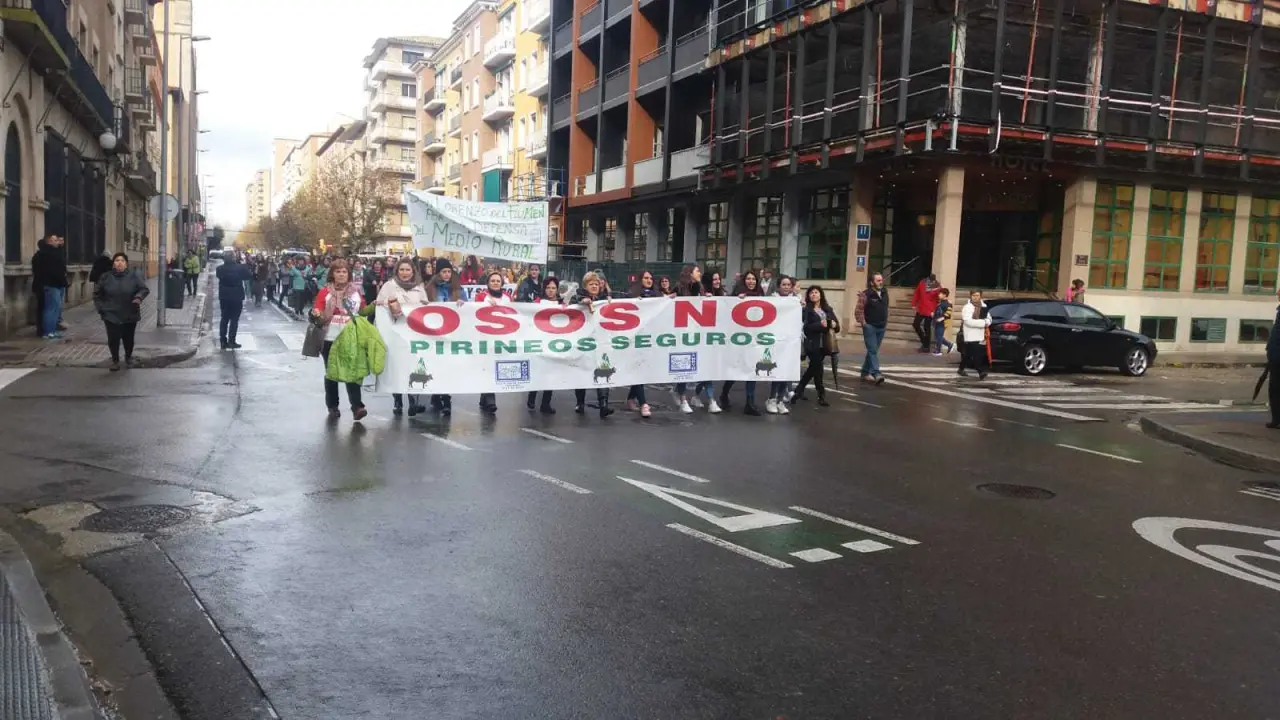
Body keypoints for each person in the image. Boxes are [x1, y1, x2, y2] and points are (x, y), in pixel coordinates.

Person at [313, 259, 367, 420]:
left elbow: (363, 311)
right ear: (332, 274)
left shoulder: (356, 292)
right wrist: (316, 313)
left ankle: (357, 407)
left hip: (351, 337)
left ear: (348, 274)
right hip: (330, 338)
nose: (341, 274)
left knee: (352, 372)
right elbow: (318, 309)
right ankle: (333, 406)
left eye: (344, 271)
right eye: (338, 272)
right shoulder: (325, 292)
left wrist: (377, 305)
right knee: (332, 373)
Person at [377, 259, 430, 417]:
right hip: (395, 332)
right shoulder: (389, 286)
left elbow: (426, 307)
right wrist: (389, 304)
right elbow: (379, 304)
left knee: (413, 366)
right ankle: (398, 400)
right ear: (397, 271)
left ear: (413, 271)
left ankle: (413, 401)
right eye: (402, 270)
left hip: (413, 333)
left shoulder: (419, 288)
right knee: (397, 367)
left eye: (408, 270)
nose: (405, 273)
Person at [569, 271, 615, 418]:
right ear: (585, 286)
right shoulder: (577, 297)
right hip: (583, 342)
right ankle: (580, 402)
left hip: (600, 341)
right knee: (582, 371)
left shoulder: (603, 299)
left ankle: (604, 405)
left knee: (603, 369)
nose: (594, 286)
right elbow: (572, 304)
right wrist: (581, 301)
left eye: (596, 284)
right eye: (591, 284)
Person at [94, 253, 149, 371]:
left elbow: (144, 289)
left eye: (122, 261)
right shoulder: (106, 277)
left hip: (130, 311)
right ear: (113, 263)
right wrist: (101, 309)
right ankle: (115, 360)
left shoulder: (134, 276)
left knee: (128, 338)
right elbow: (97, 294)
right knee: (113, 338)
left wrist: (138, 298)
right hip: (111, 313)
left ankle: (128, 357)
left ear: (126, 264)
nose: (119, 263)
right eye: (117, 260)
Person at [720, 269, 765, 416]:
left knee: (752, 370)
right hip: (739, 340)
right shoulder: (737, 295)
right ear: (744, 281)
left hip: (755, 340)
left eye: (754, 279)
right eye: (748, 279)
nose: (751, 281)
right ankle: (724, 394)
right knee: (736, 370)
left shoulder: (761, 295)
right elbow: (726, 311)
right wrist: (736, 300)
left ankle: (750, 403)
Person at [425, 258, 463, 415]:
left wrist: (463, 304)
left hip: (452, 334)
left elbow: (468, 308)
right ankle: (436, 395)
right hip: (434, 334)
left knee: (448, 367)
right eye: (444, 271)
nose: (447, 274)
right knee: (436, 365)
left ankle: (446, 399)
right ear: (438, 273)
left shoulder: (458, 289)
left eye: (449, 271)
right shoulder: (430, 288)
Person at [474, 271, 513, 414]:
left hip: (501, 337)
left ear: (502, 283)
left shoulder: (507, 297)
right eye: (493, 281)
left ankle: (484, 397)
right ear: (488, 283)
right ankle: (491, 399)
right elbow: (473, 311)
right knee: (488, 366)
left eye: (498, 281)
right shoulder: (481, 296)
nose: (495, 283)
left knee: (494, 366)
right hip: (485, 336)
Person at [625, 271, 662, 418]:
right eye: (646, 278)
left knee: (643, 372)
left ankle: (630, 398)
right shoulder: (632, 294)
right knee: (638, 371)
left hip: (651, 338)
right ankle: (643, 404)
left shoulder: (657, 295)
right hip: (636, 338)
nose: (649, 280)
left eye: (651, 278)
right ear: (640, 280)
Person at [792, 285, 836, 407]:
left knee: (814, 368)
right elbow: (806, 327)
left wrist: (834, 324)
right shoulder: (806, 310)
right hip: (812, 343)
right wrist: (820, 324)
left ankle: (799, 390)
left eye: (816, 292)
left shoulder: (827, 309)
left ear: (821, 295)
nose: (814, 294)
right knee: (818, 367)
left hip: (825, 344)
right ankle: (821, 394)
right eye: (811, 293)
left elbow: (836, 326)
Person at [526, 276, 562, 414]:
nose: (551, 290)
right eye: (548, 288)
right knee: (538, 371)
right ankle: (532, 397)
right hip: (540, 342)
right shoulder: (537, 302)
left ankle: (546, 403)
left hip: (555, 343)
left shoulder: (562, 303)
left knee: (551, 374)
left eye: (553, 288)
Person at [767, 275, 800, 413]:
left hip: (791, 342)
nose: (786, 287)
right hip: (776, 341)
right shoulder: (772, 300)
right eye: (784, 285)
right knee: (778, 372)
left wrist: (802, 306)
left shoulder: (796, 301)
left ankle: (780, 400)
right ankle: (771, 399)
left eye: (788, 285)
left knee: (786, 372)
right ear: (778, 286)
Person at [31, 234, 68, 339]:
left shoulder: (53, 252)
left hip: (56, 283)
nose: (57, 242)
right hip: (51, 284)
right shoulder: (46, 254)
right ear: (50, 242)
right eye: (55, 240)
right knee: (50, 308)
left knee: (55, 308)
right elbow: (52, 270)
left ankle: (51, 330)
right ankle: (48, 332)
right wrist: (60, 279)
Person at [855, 272, 889, 385]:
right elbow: (858, 310)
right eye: (878, 280)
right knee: (872, 350)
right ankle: (876, 373)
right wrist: (863, 323)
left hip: (881, 326)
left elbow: (885, 307)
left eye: (881, 280)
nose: (881, 282)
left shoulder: (884, 292)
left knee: (872, 351)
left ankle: (865, 372)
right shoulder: (865, 294)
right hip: (870, 326)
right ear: (872, 283)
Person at [215, 254, 252, 349]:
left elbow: (219, 276)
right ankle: (232, 341)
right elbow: (248, 276)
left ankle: (223, 341)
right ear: (233, 259)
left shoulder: (219, 269)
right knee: (234, 319)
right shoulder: (240, 268)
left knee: (224, 318)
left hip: (224, 296)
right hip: (236, 296)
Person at [959, 289, 992, 380]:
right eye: (973, 295)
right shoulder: (967, 307)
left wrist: (986, 322)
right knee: (976, 353)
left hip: (981, 334)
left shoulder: (984, 306)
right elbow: (967, 321)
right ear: (970, 296)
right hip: (970, 333)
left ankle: (961, 368)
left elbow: (989, 319)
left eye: (977, 295)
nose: (975, 297)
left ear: (980, 296)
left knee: (968, 353)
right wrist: (983, 323)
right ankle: (981, 371)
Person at [911, 274, 941, 353]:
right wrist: (914, 303)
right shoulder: (922, 283)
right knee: (916, 324)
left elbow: (940, 298)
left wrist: (937, 308)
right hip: (921, 308)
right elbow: (917, 293)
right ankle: (925, 342)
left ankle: (926, 347)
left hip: (930, 309)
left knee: (926, 327)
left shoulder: (938, 286)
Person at [1267, 286, 1280, 429]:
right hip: (1275, 356)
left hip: (1277, 357)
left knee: (1275, 389)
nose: (1277, 294)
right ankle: (1276, 419)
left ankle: (1277, 419)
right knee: (1274, 389)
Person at [932, 288, 955, 355]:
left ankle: (938, 351)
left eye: (940, 294)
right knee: (938, 336)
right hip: (937, 322)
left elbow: (948, 314)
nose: (939, 295)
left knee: (939, 336)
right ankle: (949, 345)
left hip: (943, 323)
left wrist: (941, 318)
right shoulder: (940, 302)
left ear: (944, 295)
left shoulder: (948, 303)